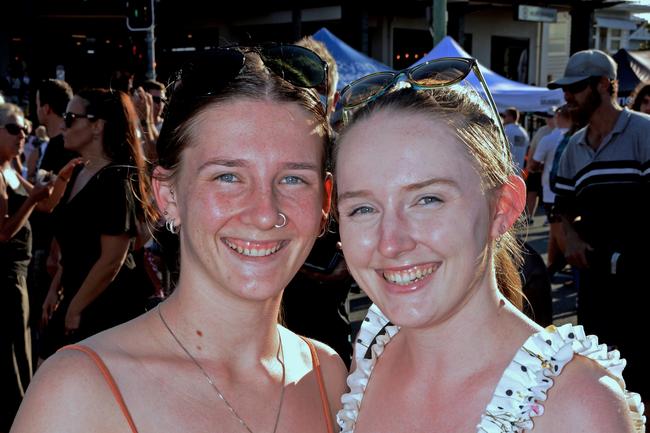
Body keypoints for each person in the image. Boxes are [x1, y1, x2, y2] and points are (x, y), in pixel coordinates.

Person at [11, 45, 347, 433]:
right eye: (228, 176)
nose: (265, 212)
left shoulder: (328, 376)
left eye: (292, 178)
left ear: (324, 201)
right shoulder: (78, 393)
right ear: (168, 196)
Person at [333, 67, 645, 431]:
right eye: (362, 208)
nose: (390, 242)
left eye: (427, 199)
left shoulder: (575, 407)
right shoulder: (372, 349)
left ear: (503, 207)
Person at [548, 49, 650, 409]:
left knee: (643, 382)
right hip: (595, 284)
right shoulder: (573, 147)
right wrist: (569, 236)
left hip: (641, 283)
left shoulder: (644, 131)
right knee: (601, 379)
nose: (567, 97)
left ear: (604, 85)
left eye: (575, 88)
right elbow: (560, 211)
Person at [38, 88, 156, 359]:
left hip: (105, 305)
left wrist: (75, 309)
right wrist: (55, 288)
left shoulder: (116, 180)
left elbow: (112, 259)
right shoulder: (78, 170)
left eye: (70, 117)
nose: (63, 126)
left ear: (97, 126)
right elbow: (75, 243)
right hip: (76, 296)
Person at [0, 103, 79, 432]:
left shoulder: (9, 165)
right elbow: (3, 232)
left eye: (25, 128)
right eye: (14, 129)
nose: (23, 135)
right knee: (13, 355)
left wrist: (64, 176)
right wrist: (32, 201)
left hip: (18, 275)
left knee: (22, 350)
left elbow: (43, 202)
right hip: (6, 277)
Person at [282, 36, 353, 365]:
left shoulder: (350, 155)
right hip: (261, 330)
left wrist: (352, 262)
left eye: (314, 94)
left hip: (324, 331)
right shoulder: (259, 152)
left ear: (333, 99)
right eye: (294, 91)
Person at [528, 105, 572, 276]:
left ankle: (573, 266)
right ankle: (552, 267)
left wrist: (537, 168)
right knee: (555, 231)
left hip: (551, 192)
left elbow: (533, 164)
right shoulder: (579, 135)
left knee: (558, 231)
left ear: (559, 117)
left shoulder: (550, 138)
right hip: (571, 191)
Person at [501, 106, 530, 175]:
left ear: (511, 117)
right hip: (519, 173)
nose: (503, 118)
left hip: (506, 172)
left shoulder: (505, 130)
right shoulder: (524, 132)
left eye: (504, 116)